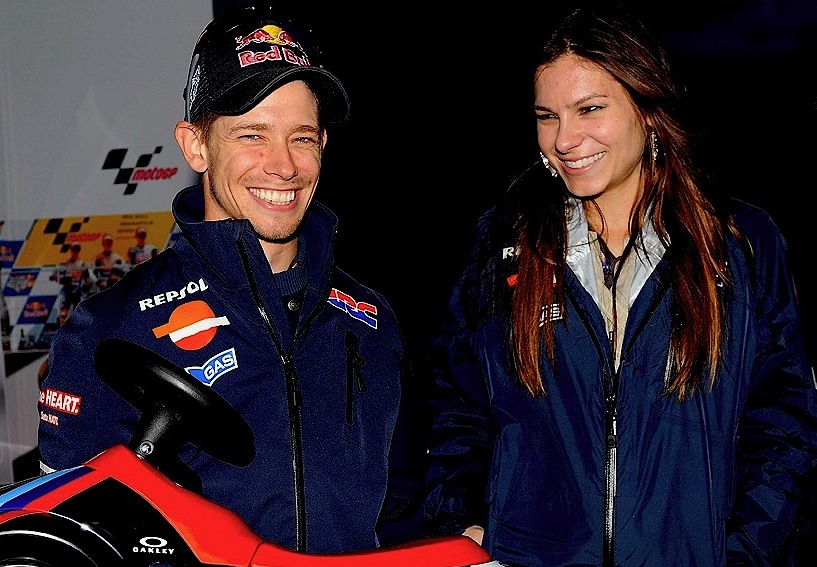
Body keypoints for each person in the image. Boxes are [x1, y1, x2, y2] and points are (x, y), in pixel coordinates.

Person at [422, 4, 817, 566]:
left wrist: (745, 552)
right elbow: (456, 406)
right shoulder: (502, 244)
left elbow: (784, 423)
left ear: (646, 107)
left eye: (589, 109)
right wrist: (463, 523)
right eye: (547, 116)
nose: (565, 139)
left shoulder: (739, 243)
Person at [38, 6, 422, 555]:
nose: (282, 166)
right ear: (196, 145)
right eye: (252, 135)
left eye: (302, 138)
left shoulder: (371, 318)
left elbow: (405, 515)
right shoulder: (108, 329)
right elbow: (65, 537)